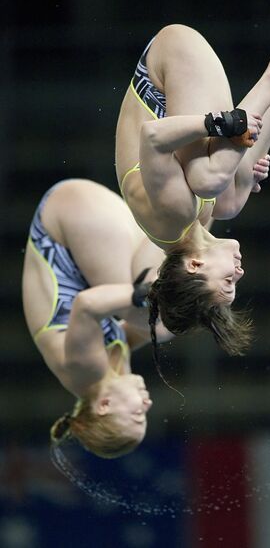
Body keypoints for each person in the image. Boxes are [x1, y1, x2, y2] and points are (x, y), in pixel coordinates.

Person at [115, 24, 270, 357]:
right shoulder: (192, 227)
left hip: (168, 61)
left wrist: (221, 123)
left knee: (209, 180)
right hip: (182, 84)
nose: (239, 272)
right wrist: (245, 166)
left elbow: (152, 138)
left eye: (227, 282)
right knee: (230, 200)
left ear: (194, 266)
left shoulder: (174, 214)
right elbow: (229, 163)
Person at [22, 179, 173, 459]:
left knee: (157, 318)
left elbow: (88, 305)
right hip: (84, 222)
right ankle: (205, 198)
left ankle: (194, 198)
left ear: (104, 405)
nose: (147, 403)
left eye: (138, 414)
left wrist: (143, 293)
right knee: (165, 324)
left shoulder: (85, 371)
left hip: (64, 222)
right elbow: (134, 332)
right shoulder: (113, 373)